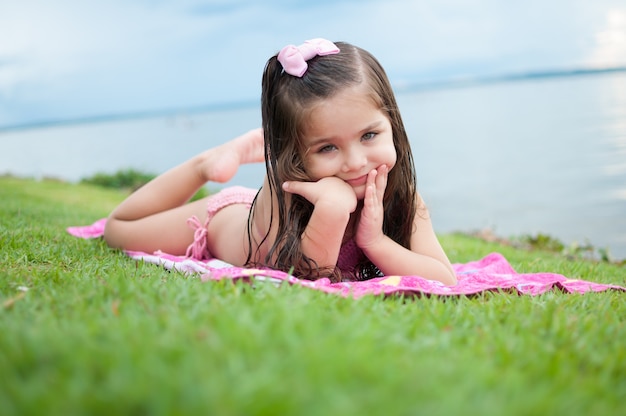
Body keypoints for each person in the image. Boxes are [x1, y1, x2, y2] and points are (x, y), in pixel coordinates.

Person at [103, 38, 457, 285]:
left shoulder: (402, 195)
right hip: (227, 223)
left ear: (391, 125)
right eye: (327, 148)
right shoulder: (284, 189)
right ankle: (205, 163)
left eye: (369, 136)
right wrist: (331, 211)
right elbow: (307, 279)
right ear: (296, 154)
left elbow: (444, 278)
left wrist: (376, 242)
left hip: (259, 218)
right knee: (117, 230)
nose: (354, 162)